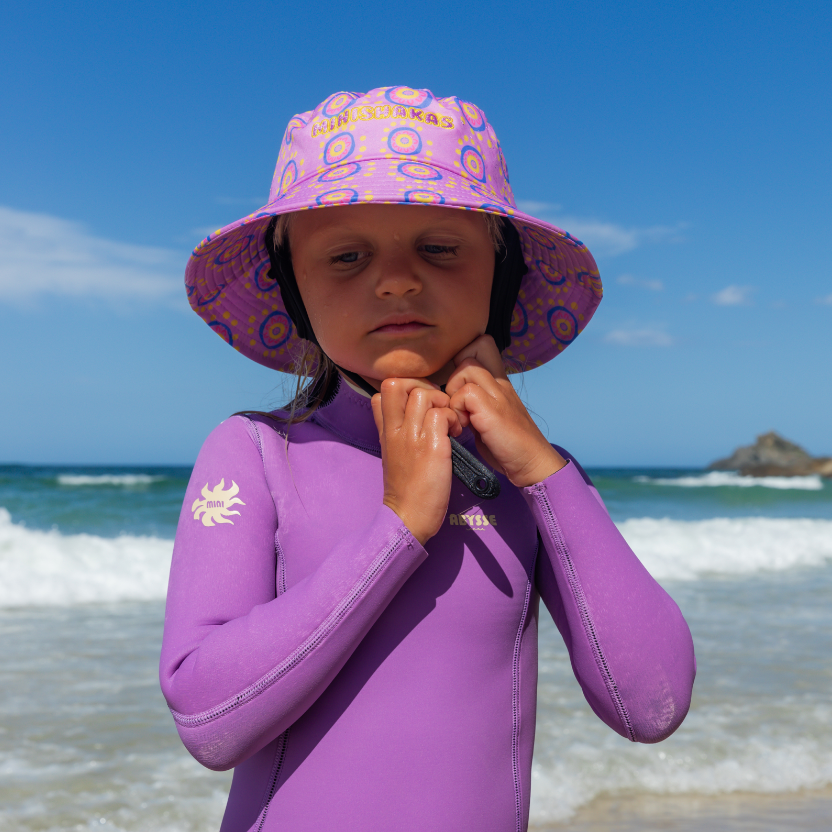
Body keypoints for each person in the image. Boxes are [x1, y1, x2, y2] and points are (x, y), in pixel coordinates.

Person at [160, 86, 696, 832]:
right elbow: (207, 717)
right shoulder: (256, 452)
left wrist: (545, 472)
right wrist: (399, 525)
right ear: (293, 289)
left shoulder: (534, 477)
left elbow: (651, 702)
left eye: (440, 248)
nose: (397, 279)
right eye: (346, 256)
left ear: (500, 276)